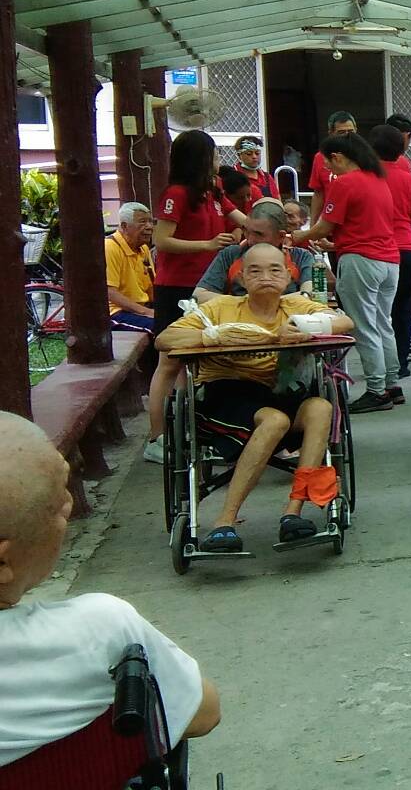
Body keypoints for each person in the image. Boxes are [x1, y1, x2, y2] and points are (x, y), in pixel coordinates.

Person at [0, 413, 220, 768]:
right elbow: (202, 712)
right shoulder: (99, 627)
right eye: (58, 504)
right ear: (3, 563)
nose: (69, 508)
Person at [155, 245, 354, 552]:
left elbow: (344, 323)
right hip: (226, 394)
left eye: (275, 270)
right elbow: (164, 339)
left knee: (320, 407)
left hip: (280, 390)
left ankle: (293, 513)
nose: (266, 277)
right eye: (255, 270)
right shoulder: (219, 308)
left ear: (288, 276)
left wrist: (307, 328)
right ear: (242, 278)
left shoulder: (296, 305)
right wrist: (212, 336)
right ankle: (225, 522)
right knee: (274, 420)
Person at [143, 130, 239, 465]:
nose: (218, 160)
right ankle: (156, 437)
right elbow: (162, 240)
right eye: (213, 153)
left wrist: (269, 227)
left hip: (208, 287)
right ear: (200, 156)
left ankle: (185, 431)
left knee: (196, 363)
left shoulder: (213, 190)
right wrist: (208, 245)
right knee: (169, 360)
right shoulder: (177, 193)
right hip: (176, 287)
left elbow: (238, 218)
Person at [294, 133, 403, 413]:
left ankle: (376, 390)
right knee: (382, 323)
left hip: (361, 261)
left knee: (363, 326)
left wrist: (295, 237)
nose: (328, 171)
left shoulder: (345, 183)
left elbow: (323, 226)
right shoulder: (378, 180)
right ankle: (392, 384)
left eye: (328, 164)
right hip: (389, 260)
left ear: (338, 157)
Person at [369, 124, 411, 378]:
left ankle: (381, 367)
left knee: (375, 311)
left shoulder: (366, 175)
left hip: (375, 249)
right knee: (403, 309)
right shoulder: (407, 178)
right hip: (407, 248)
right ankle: (401, 363)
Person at [191, 201, 316, 303]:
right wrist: (250, 303)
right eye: (246, 231)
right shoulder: (230, 254)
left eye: (259, 234)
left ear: (281, 236)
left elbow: (311, 294)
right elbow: (199, 296)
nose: (250, 240)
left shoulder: (301, 257)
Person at [307, 111, 359, 245]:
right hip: (330, 225)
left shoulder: (364, 158)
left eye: (351, 131)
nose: (347, 136)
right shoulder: (321, 158)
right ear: (331, 133)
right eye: (342, 132)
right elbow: (318, 193)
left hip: (355, 227)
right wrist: (313, 227)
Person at [105, 202, 155, 334]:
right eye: (143, 222)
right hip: (116, 313)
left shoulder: (143, 248)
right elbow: (109, 292)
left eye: (150, 221)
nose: (149, 227)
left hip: (139, 308)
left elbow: (151, 287)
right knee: (160, 327)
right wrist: (147, 312)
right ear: (124, 226)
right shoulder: (110, 247)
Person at [232, 134, 279, 200]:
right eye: (249, 154)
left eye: (257, 153)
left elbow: (276, 201)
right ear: (239, 155)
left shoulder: (267, 178)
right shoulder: (231, 176)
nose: (254, 157)